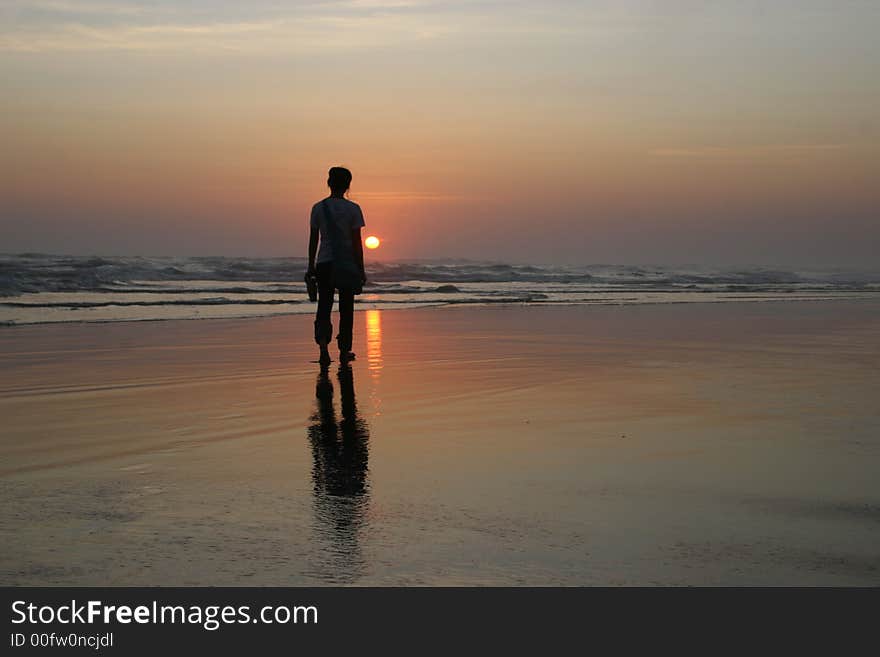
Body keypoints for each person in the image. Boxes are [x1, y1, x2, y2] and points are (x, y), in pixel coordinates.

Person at [307, 166, 367, 365]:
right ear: (348, 185)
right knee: (346, 308)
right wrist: (361, 269)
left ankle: (323, 348)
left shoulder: (318, 207)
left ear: (328, 183)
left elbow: (313, 240)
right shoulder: (353, 209)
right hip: (347, 265)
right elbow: (357, 243)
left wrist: (310, 267)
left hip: (324, 263)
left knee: (324, 306)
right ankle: (344, 350)